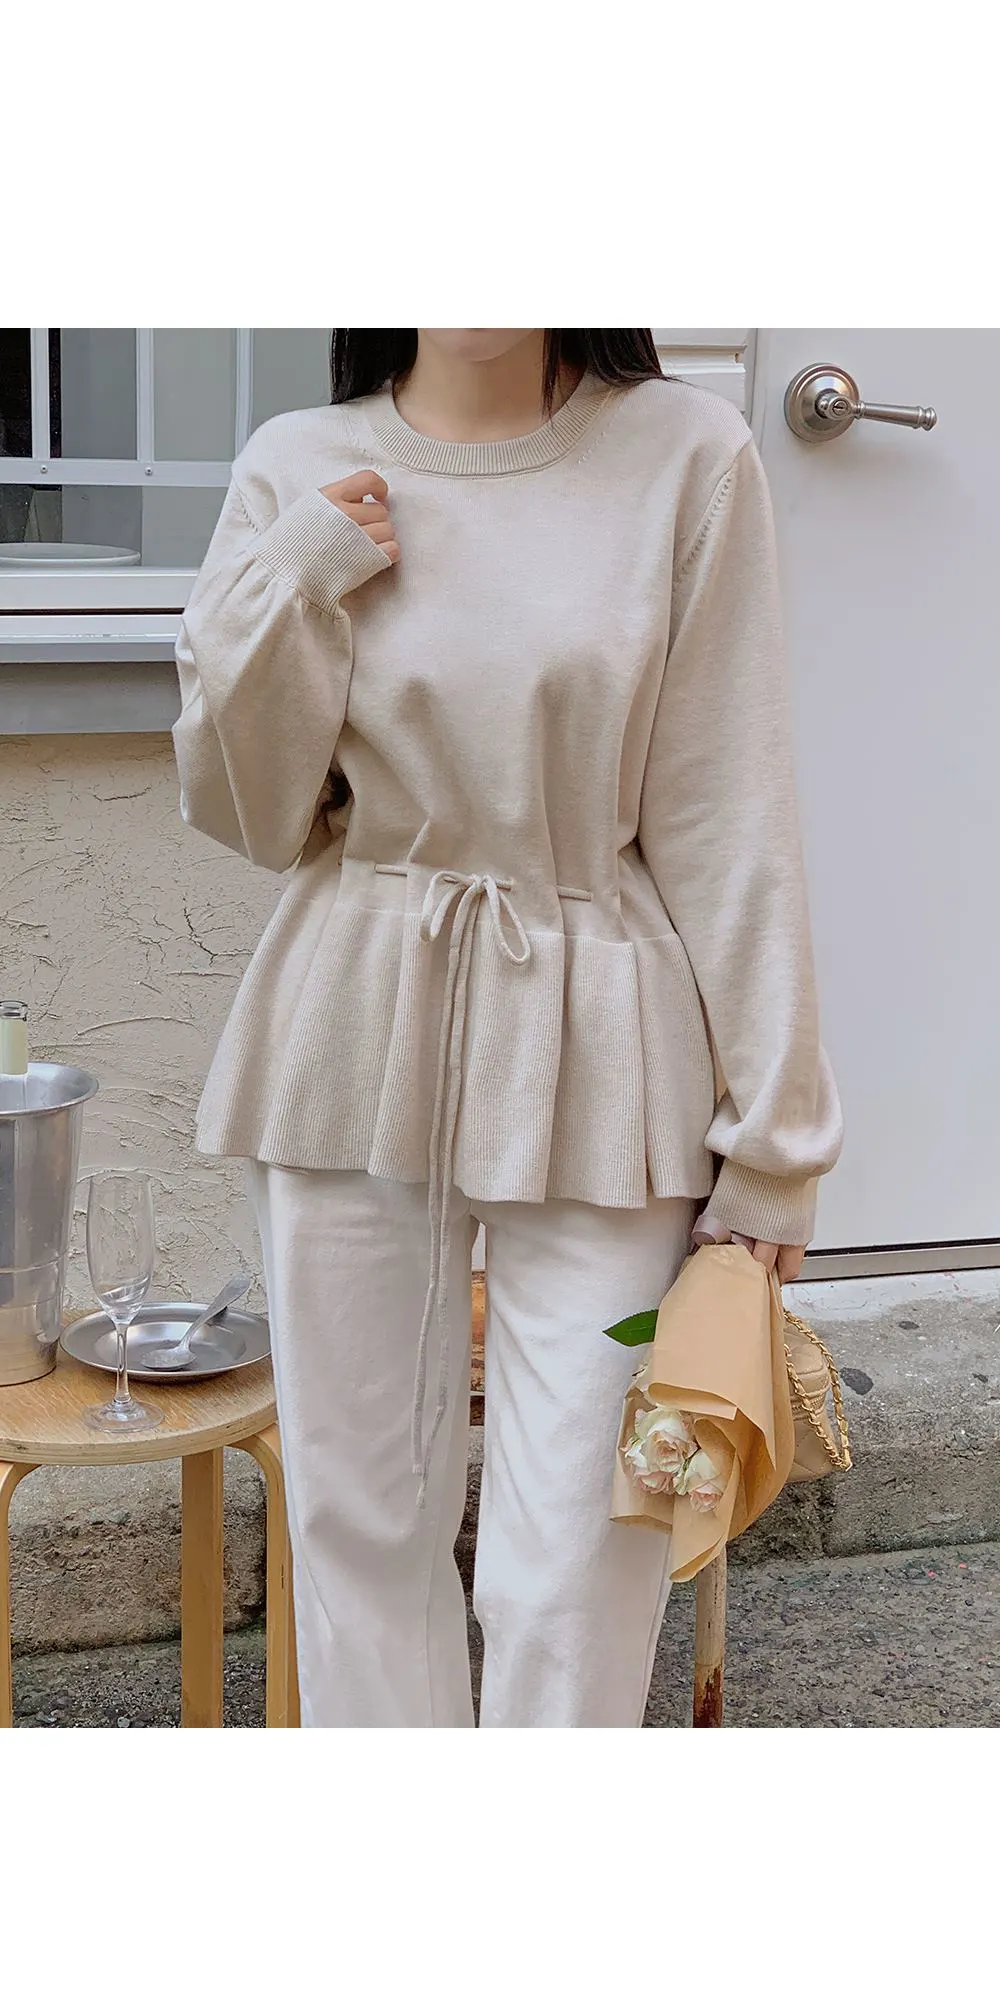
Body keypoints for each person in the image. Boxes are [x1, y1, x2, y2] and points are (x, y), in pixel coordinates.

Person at [172, 327, 842, 1729]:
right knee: (356, 1527)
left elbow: (730, 814)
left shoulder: (686, 455)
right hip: (354, 1028)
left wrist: (777, 1140)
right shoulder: (297, 464)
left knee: (582, 1556)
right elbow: (250, 811)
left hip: (607, 1045)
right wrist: (292, 583)